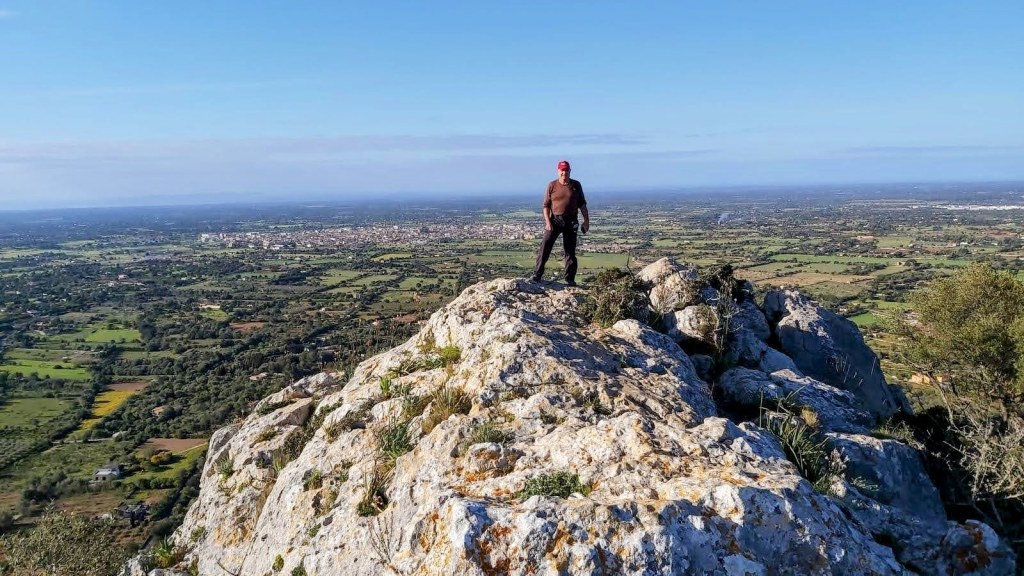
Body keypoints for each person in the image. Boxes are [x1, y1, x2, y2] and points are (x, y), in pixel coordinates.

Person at [531, 160, 590, 286]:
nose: (564, 172)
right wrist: (548, 222)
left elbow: (582, 204)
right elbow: (546, 205)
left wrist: (586, 221)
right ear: (558, 171)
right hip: (555, 220)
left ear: (570, 171)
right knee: (545, 247)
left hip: (571, 221)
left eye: (566, 170)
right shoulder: (552, 185)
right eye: (562, 170)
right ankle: (537, 274)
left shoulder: (576, 185)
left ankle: (569, 279)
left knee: (570, 251)